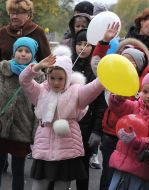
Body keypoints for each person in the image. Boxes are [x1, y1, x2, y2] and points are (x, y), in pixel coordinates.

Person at [19, 46, 105, 189]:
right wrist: (38, 66)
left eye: (60, 78)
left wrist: (105, 75)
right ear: (47, 76)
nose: (56, 82)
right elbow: (24, 80)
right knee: (38, 185)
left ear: (68, 77)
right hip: (44, 150)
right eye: (52, 78)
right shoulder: (40, 91)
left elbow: (95, 87)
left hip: (67, 150)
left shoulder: (76, 92)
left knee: (62, 186)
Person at [90, 23, 149, 190]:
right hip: (110, 133)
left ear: (138, 66)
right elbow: (97, 63)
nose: (126, 64)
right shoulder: (112, 77)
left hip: (132, 137)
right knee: (108, 174)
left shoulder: (144, 84)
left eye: (131, 61)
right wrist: (104, 42)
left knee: (126, 178)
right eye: (123, 59)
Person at [107, 68, 149, 190]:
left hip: (141, 167)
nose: (148, 96)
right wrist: (117, 99)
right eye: (145, 91)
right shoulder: (137, 105)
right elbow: (120, 108)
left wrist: (135, 141)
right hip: (122, 162)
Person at [0, 37, 41, 190]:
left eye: (27, 51)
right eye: (19, 50)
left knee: (18, 170)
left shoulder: (38, 75)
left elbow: (39, 105)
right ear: (14, 52)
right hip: (1, 125)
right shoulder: (3, 69)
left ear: (33, 54)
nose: (23, 54)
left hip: (22, 128)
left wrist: (35, 131)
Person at [72, 28, 107, 190]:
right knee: (59, 167)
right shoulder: (67, 65)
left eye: (87, 44)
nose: (82, 48)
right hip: (65, 124)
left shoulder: (97, 70)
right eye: (79, 43)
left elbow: (101, 104)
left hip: (86, 127)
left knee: (81, 168)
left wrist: (97, 130)